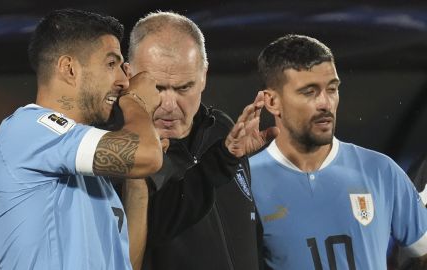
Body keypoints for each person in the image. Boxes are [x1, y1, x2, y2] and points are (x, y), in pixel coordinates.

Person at [0, 9, 163, 270]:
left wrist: (136, 181)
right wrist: (136, 102)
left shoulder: (92, 172)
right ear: (69, 68)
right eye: (111, 64)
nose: (124, 81)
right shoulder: (26, 129)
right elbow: (147, 155)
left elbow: (126, 265)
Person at [250, 34, 427, 270]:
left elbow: (422, 253)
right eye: (309, 92)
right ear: (272, 102)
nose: (326, 103)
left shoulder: (381, 171)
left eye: (332, 89)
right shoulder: (246, 183)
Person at [124, 11, 275, 270]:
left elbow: (249, 232)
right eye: (157, 88)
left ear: (204, 75)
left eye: (184, 87)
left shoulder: (222, 129)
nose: (169, 105)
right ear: (128, 75)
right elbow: (154, 229)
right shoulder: (119, 151)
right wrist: (222, 160)